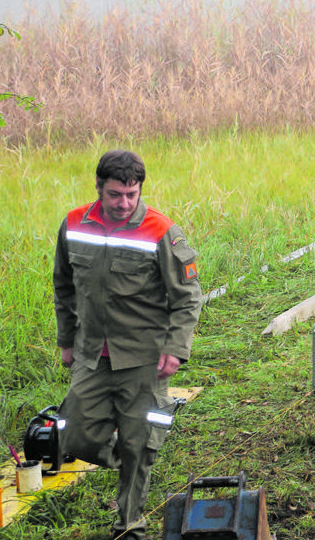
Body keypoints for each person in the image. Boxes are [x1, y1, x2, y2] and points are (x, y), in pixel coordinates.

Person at [53, 149, 203, 540]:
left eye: (132, 195)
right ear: (99, 188)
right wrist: (66, 340)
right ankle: (128, 457)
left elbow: (188, 296)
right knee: (74, 433)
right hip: (91, 353)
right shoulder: (73, 224)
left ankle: (130, 524)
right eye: (116, 194)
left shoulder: (161, 231)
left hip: (144, 357)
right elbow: (63, 286)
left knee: (139, 442)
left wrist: (176, 347)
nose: (124, 203)